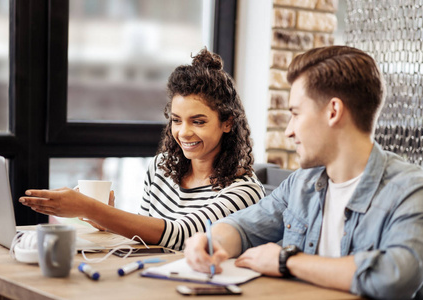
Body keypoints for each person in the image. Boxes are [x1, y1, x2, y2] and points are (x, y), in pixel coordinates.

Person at [184, 46, 423, 299]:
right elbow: (243, 227)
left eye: (296, 114)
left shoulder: (409, 190)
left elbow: (395, 276)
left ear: (333, 111)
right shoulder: (301, 183)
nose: (289, 131)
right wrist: (209, 242)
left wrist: (287, 261)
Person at [19, 48, 265, 251]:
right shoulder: (161, 167)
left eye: (198, 121)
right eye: (177, 120)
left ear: (227, 123)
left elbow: (180, 236)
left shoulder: (244, 191)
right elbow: (148, 235)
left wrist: (92, 208)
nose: (184, 132)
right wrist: (105, 220)